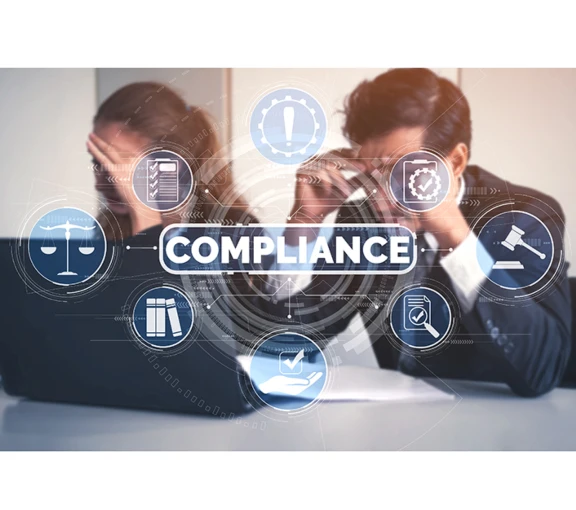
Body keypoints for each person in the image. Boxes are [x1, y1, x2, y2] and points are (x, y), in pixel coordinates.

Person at [275, 68, 571, 397]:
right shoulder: (362, 222)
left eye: (403, 169)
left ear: (455, 161)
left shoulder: (525, 218)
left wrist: (455, 237)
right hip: (399, 430)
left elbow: (542, 369)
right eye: (370, 173)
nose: (381, 196)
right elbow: (281, 345)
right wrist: (302, 229)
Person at [86, 81, 253, 238]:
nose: (99, 184)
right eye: (97, 164)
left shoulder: (236, 231)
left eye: (117, 165)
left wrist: (146, 221)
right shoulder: (108, 230)